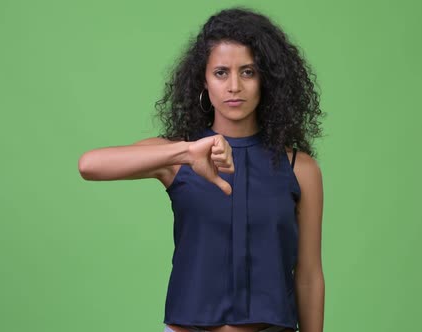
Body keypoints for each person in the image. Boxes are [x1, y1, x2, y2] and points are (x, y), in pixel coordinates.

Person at [78, 7, 324, 332]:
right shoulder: (179, 154)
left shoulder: (299, 168)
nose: (234, 85)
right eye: (221, 72)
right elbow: (90, 165)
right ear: (204, 81)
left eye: (248, 72)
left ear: (267, 80)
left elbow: (308, 276)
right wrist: (183, 152)